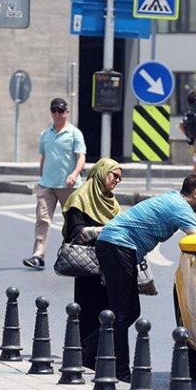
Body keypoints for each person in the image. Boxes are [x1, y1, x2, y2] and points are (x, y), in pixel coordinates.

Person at [95, 174, 196, 381]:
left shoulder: (175, 201)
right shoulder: (180, 207)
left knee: (130, 311)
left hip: (118, 246)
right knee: (122, 312)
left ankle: (88, 351)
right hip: (118, 245)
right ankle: (120, 370)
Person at [60, 158, 122, 370]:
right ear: (101, 173)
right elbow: (74, 233)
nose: (116, 181)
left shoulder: (112, 203)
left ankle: (99, 357)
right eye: (114, 175)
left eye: (119, 178)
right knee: (87, 312)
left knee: (108, 312)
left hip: (108, 266)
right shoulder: (80, 198)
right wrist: (101, 231)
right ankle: (84, 357)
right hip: (87, 267)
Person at [23, 98, 87, 269]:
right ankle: (38, 255)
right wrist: (41, 177)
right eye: (54, 111)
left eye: (60, 111)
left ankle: (74, 254)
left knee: (72, 222)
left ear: (67, 112)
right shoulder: (45, 134)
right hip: (47, 185)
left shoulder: (75, 134)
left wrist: (74, 173)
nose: (57, 114)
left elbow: (81, 157)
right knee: (42, 219)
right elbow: (44, 157)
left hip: (69, 187)